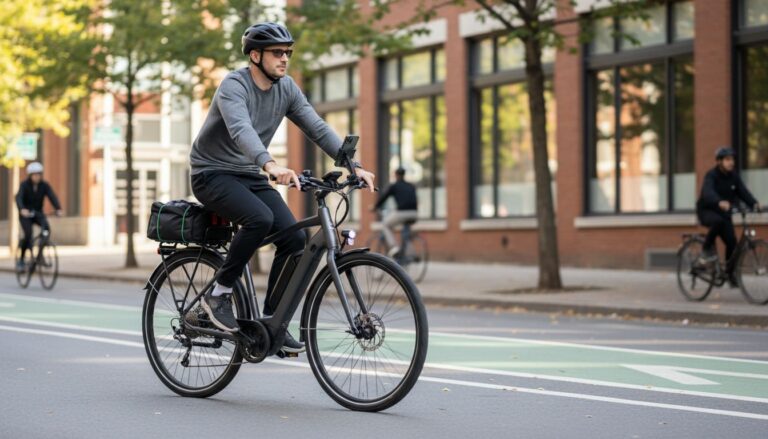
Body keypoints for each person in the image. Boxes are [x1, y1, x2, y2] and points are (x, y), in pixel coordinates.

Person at [189, 22, 375, 352]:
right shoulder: (235, 85)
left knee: (295, 238)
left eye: (288, 52)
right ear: (255, 55)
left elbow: (316, 127)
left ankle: (273, 322)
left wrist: (353, 165)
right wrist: (270, 165)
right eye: (278, 53)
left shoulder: (286, 88)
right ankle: (217, 296)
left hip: (248, 174)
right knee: (259, 219)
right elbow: (239, 129)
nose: (285, 58)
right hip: (212, 173)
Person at [696, 147, 761, 287]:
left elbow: (743, 192)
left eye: (732, 159)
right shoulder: (711, 175)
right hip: (707, 210)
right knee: (717, 222)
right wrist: (719, 201)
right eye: (727, 159)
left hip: (725, 213)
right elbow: (708, 192)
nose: (731, 162)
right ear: (719, 161)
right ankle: (706, 250)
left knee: (732, 243)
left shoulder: (733, 176)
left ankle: (730, 274)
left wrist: (754, 203)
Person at [15, 162, 63, 271]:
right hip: (26, 215)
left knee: (46, 230)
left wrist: (58, 208)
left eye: (39, 174)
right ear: (30, 175)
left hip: (38, 214)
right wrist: (22, 209)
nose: (37, 177)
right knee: (28, 234)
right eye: (34, 174)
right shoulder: (24, 185)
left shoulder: (44, 185)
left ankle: (40, 256)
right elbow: (19, 198)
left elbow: (52, 196)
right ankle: (21, 260)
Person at [371, 167, 418, 258]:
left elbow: (383, 198)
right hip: (414, 213)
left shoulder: (394, 186)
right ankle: (409, 252)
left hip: (402, 213)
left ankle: (394, 248)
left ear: (396, 175)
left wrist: (375, 207)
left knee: (385, 224)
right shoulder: (411, 185)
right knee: (405, 232)